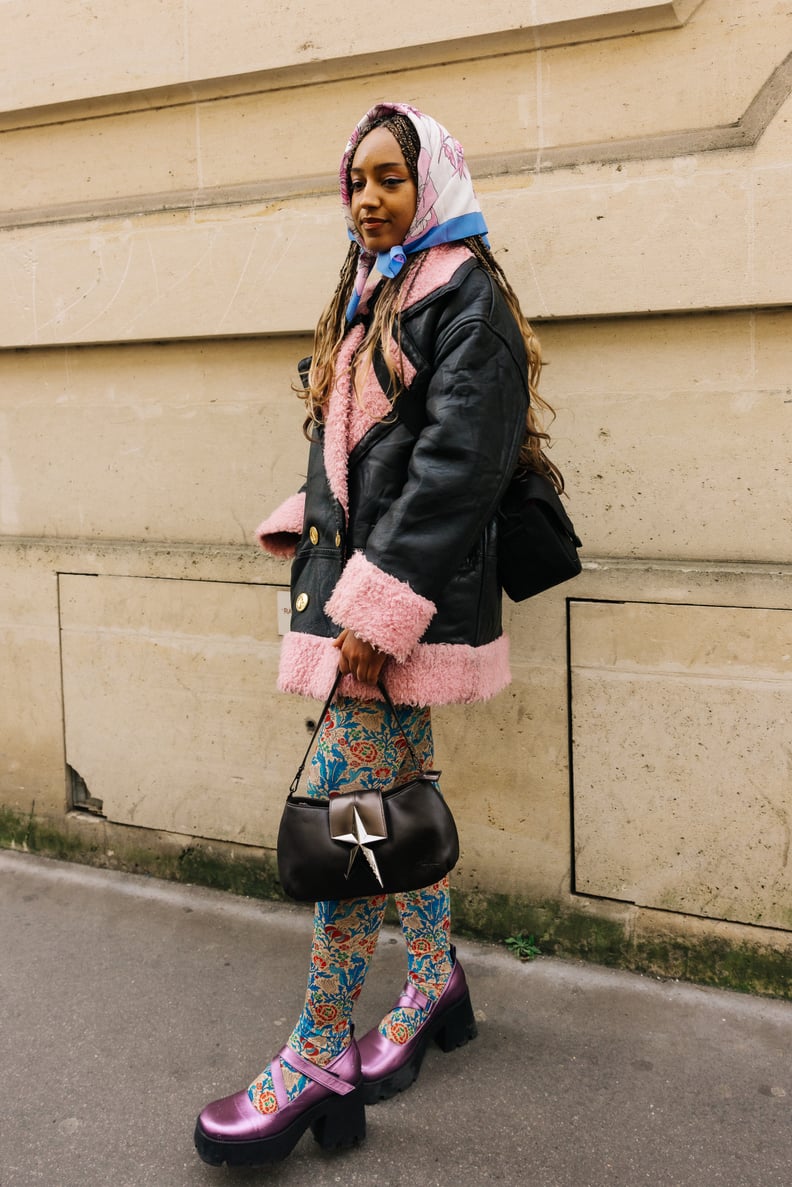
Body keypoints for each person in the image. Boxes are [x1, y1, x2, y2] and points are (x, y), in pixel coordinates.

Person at [194, 101, 557, 1168]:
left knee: (345, 832)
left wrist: (370, 612)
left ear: (433, 180)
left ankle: (313, 1059)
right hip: (369, 599)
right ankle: (434, 977)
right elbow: (365, 454)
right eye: (355, 180)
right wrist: (302, 526)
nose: (367, 198)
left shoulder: (463, 298)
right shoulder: (377, 291)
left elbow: (457, 473)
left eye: (388, 178)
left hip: (391, 617)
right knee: (394, 814)